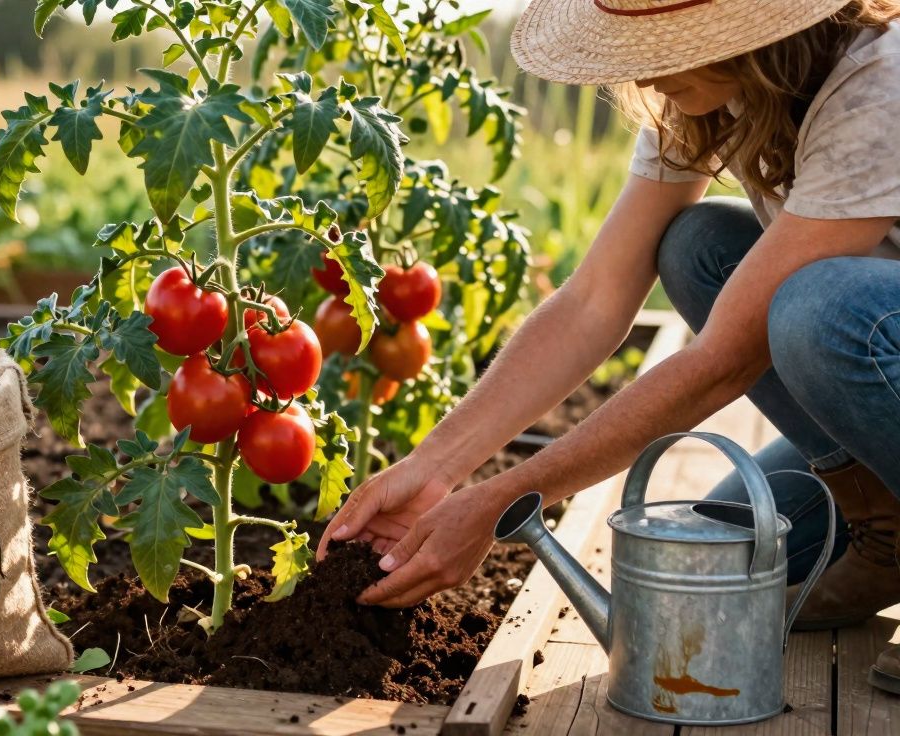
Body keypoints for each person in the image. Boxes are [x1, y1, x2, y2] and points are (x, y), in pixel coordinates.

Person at [318, 0, 900, 692]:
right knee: (698, 247)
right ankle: (885, 524)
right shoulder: (716, 96)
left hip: (860, 329)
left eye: (668, 43)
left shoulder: (879, 86)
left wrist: (502, 500)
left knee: (820, 308)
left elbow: (722, 361)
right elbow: (594, 299)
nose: (647, 76)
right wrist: (434, 466)